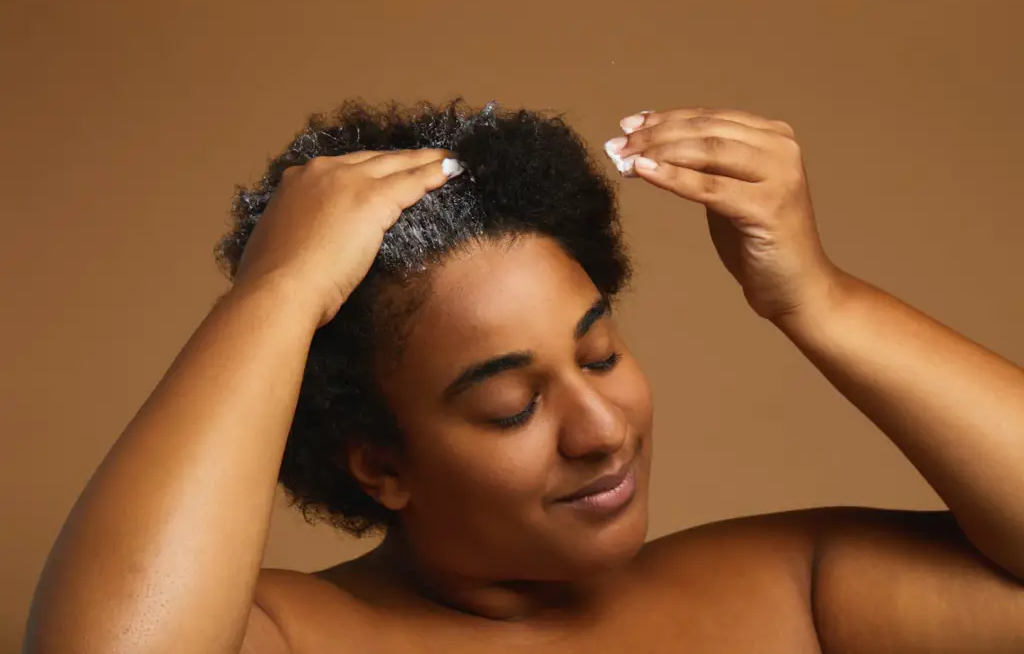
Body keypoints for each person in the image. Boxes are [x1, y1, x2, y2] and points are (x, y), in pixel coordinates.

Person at [24, 100, 1024, 654]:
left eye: (600, 354)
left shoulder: (789, 593)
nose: (602, 429)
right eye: (511, 405)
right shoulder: (292, 634)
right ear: (380, 464)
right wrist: (278, 295)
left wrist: (818, 298)